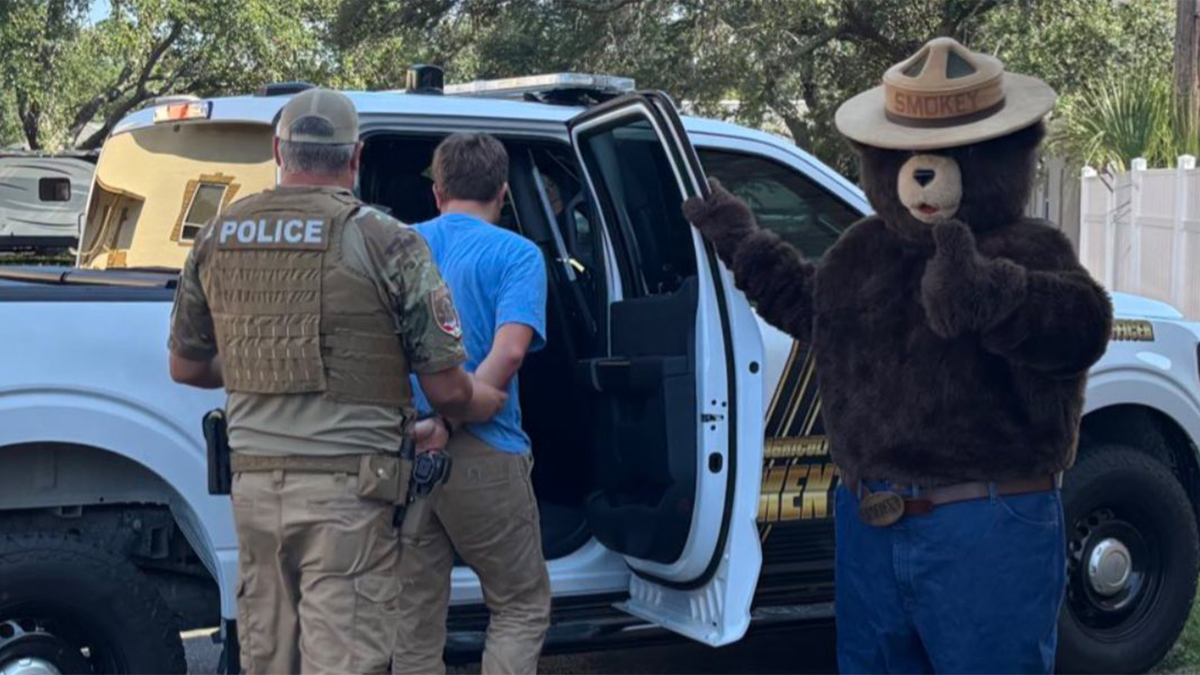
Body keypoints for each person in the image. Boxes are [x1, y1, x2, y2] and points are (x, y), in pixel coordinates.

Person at [167, 89, 507, 675]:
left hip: (254, 491)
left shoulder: (220, 233)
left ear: (279, 151)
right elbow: (449, 388)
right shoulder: (387, 240)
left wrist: (263, 365)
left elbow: (187, 366)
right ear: (356, 158)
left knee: (270, 659)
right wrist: (484, 399)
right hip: (351, 496)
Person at [393, 133, 551, 675]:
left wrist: (425, 425)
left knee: (413, 620)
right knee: (519, 605)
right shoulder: (517, 255)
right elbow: (508, 355)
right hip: (484, 453)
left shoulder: (399, 246)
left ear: (438, 192)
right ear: (503, 193)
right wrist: (449, 420)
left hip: (407, 455)